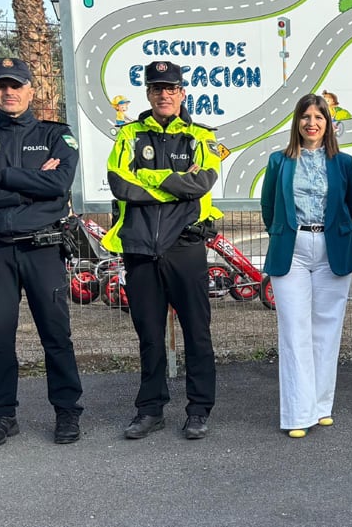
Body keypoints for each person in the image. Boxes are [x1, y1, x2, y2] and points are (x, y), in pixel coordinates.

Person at [0, 57, 83, 448]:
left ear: (31, 89)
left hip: (42, 249)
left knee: (56, 335)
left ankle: (67, 412)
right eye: (1, 86)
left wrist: (1, 177)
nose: (9, 92)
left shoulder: (56, 134)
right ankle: (1, 416)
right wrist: (32, 187)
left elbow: (59, 184)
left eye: (17, 85)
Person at [103, 60, 224, 441]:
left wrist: (149, 182)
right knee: (150, 334)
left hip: (185, 246)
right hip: (140, 248)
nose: (164, 94)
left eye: (171, 88)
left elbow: (200, 183)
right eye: (157, 88)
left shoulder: (201, 137)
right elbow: (120, 183)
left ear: (182, 93)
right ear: (148, 94)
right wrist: (171, 183)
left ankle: (199, 409)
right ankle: (150, 409)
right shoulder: (129, 135)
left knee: (197, 333)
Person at [261, 94, 352, 438]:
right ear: (297, 122)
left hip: (331, 248)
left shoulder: (343, 162)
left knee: (326, 330)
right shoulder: (279, 161)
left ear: (328, 123)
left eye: (318, 117)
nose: (312, 123)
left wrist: (339, 230)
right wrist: (285, 233)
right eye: (305, 117)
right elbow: (268, 207)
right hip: (292, 249)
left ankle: (320, 406)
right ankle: (296, 413)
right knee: (294, 331)